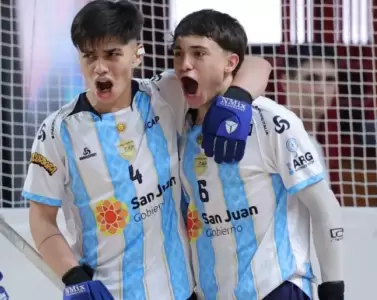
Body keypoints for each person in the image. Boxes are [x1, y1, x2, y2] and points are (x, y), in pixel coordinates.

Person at [22, 1, 271, 300]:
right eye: (89, 56)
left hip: (181, 292)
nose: (100, 67)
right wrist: (74, 277)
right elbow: (42, 220)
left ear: (137, 53)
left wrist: (238, 98)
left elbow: (256, 64)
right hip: (109, 294)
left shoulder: (165, 94)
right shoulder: (57, 130)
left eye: (112, 54)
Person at [175, 10, 345, 300]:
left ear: (231, 63)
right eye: (178, 54)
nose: (184, 65)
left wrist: (333, 290)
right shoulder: (175, 124)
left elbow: (325, 208)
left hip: (276, 288)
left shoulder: (271, 121)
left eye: (199, 53)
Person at [279, 45, 337, 181]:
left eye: (329, 80)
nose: (321, 90)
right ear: (285, 82)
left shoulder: (312, 144)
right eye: (312, 78)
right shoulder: (279, 139)